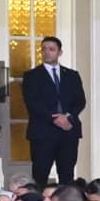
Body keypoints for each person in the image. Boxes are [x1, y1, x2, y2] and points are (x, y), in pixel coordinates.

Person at [19, 35, 86, 188]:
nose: (47, 52)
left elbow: (80, 101)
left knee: (67, 174)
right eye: (44, 49)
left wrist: (68, 117)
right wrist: (55, 119)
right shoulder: (32, 76)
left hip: (68, 131)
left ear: (59, 52)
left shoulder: (72, 75)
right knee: (40, 174)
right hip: (43, 132)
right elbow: (32, 103)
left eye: (51, 49)